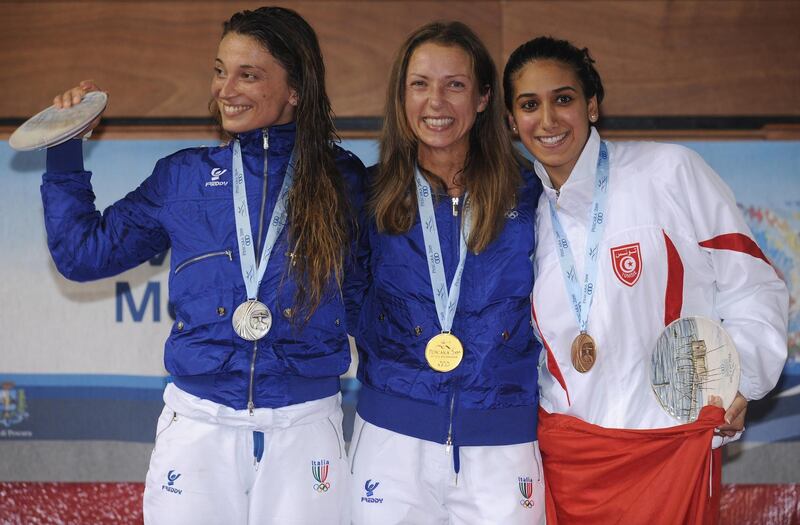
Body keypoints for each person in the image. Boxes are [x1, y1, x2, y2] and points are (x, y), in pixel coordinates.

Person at [42, 7, 365, 524]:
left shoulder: (345, 184)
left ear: (295, 90)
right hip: (198, 424)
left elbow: (378, 300)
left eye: (248, 74)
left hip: (304, 425)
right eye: (220, 70)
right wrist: (63, 151)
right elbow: (83, 254)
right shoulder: (184, 179)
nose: (225, 88)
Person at [503, 36, 789, 524]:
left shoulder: (669, 171)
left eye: (564, 99)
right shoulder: (517, 214)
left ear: (592, 106)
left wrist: (740, 382)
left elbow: (754, 286)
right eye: (530, 105)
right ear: (511, 121)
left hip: (670, 452)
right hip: (568, 463)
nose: (547, 120)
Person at [348, 21, 545, 524]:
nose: (435, 101)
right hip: (393, 438)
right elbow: (349, 298)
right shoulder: (366, 195)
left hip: (503, 441)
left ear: (482, 98)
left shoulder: (533, 193)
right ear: (401, 96)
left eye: (454, 85)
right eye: (420, 84)